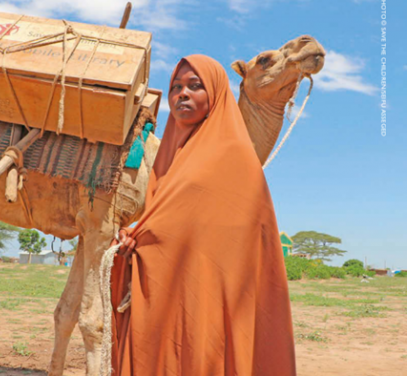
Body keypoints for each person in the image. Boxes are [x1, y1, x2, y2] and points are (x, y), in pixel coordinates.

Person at [109, 55, 296, 375]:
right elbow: (167, 222)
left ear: (216, 95)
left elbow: (239, 239)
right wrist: (132, 242)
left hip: (213, 300)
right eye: (176, 87)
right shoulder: (167, 158)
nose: (182, 94)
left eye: (195, 86)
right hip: (167, 297)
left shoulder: (235, 156)